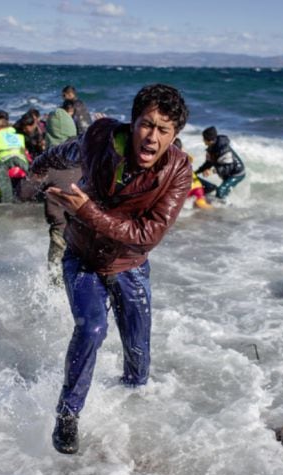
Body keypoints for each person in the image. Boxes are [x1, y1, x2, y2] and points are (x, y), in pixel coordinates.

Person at [32, 83, 192, 454]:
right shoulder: (100, 137)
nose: (152, 138)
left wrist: (86, 210)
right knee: (92, 328)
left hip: (130, 265)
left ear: (174, 136)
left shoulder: (177, 171)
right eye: (146, 125)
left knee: (137, 348)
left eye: (163, 130)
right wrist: (37, 170)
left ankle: (136, 403)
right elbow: (67, 150)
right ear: (132, 122)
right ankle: (68, 415)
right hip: (84, 257)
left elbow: (147, 234)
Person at [195, 126, 245, 200]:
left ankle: (223, 208)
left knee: (220, 191)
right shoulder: (211, 148)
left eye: (204, 138)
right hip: (227, 172)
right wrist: (196, 172)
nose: (203, 140)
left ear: (209, 140)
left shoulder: (224, 150)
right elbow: (208, 164)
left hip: (236, 173)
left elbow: (228, 168)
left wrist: (212, 171)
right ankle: (223, 203)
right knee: (223, 192)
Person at [173, 138, 212, 210]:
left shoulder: (172, 160)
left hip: (186, 190)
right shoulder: (186, 157)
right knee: (203, 207)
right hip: (196, 187)